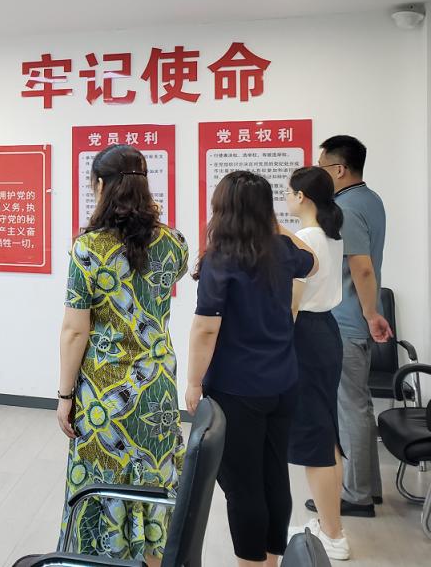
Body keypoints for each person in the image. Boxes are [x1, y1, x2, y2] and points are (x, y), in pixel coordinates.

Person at [56, 145, 189, 564]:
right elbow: (170, 273)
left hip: (104, 395)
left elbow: (75, 330)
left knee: (102, 486)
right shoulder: (174, 242)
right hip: (157, 390)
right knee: (154, 491)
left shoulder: (87, 248)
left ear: (100, 186)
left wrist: (64, 395)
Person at [185, 171, 317, 567]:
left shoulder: (220, 258)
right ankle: (270, 561)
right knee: (274, 475)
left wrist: (193, 383)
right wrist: (275, 226)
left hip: (237, 390)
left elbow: (206, 328)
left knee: (243, 485)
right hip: (283, 384)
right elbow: (311, 262)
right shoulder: (281, 250)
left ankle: (251, 563)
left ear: (222, 209)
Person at [307, 135, 391, 520]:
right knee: (360, 404)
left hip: (347, 322)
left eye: (322, 166)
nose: (320, 173)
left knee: (350, 407)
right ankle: (368, 487)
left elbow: (362, 268)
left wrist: (371, 315)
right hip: (358, 320)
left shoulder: (346, 207)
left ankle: (356, 495)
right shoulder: (371, 200)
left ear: (339, 169)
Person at [285, 167, 349, 559]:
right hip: (326, 331)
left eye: (289, 192)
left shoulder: (307, 238)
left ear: (302, 197)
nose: (286, 198)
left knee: (314, 437)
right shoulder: (330, 235)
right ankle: (329, 525)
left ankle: (334, 536)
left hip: (306, 335)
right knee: (326, 433)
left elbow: (292, 304)